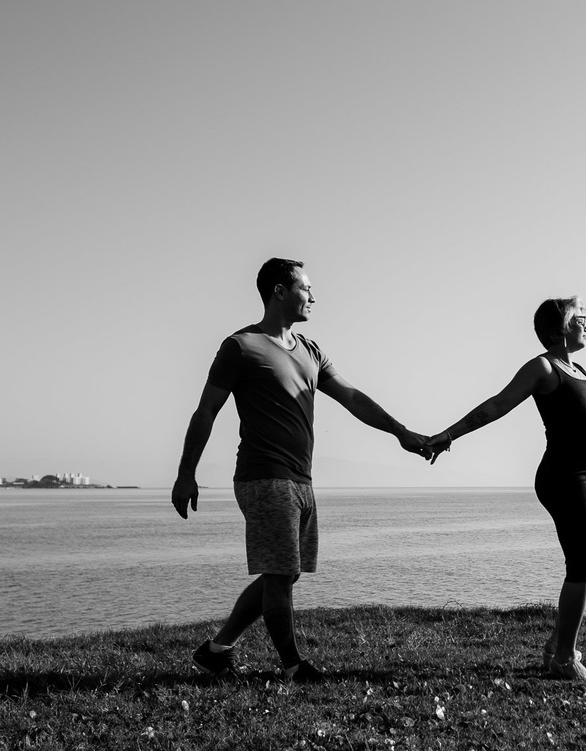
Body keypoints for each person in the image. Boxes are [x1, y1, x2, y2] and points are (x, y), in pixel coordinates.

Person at [171, 257, 430, 683]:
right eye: (306, 288)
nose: (313, 296)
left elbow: (352, 397)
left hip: (300, 479)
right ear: (279, 291)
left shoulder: (310, 350)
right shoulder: (241, 346)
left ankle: (216, 651)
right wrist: (186, 473)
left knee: (284, 571)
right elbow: (205, 413)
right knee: (279, 575)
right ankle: (293, 666)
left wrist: (400, 432)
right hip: (263, 476)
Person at [426, 296, 586, 683]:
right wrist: (449, 435)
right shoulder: (542, 367)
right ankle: (564, 658)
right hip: (563, 476)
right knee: (581, 567)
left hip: (584, 475)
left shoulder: (577, 367)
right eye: (580, 318)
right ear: (560, 327)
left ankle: (555, 644)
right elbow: (496, 406)